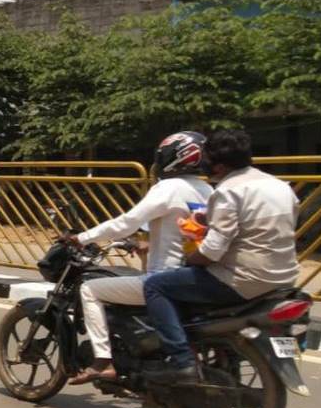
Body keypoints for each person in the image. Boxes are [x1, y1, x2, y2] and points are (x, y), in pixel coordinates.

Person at [142, 129, 301, 384]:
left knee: (156, 286)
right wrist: (209, 220)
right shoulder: (280, 186)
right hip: (284, 278)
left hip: (242, 279)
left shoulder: (228, 191)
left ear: (219, 164)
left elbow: (212, 251)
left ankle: (182, 361)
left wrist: (188, 260)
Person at [65, 131, 213, 385]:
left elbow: (127, 222)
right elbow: (175, 230)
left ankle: (102, 361)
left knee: (89, 289)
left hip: (164, 278)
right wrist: (142, 242)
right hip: (194, 276)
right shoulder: (207, 189)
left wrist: (83, 237)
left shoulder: (168, 188)